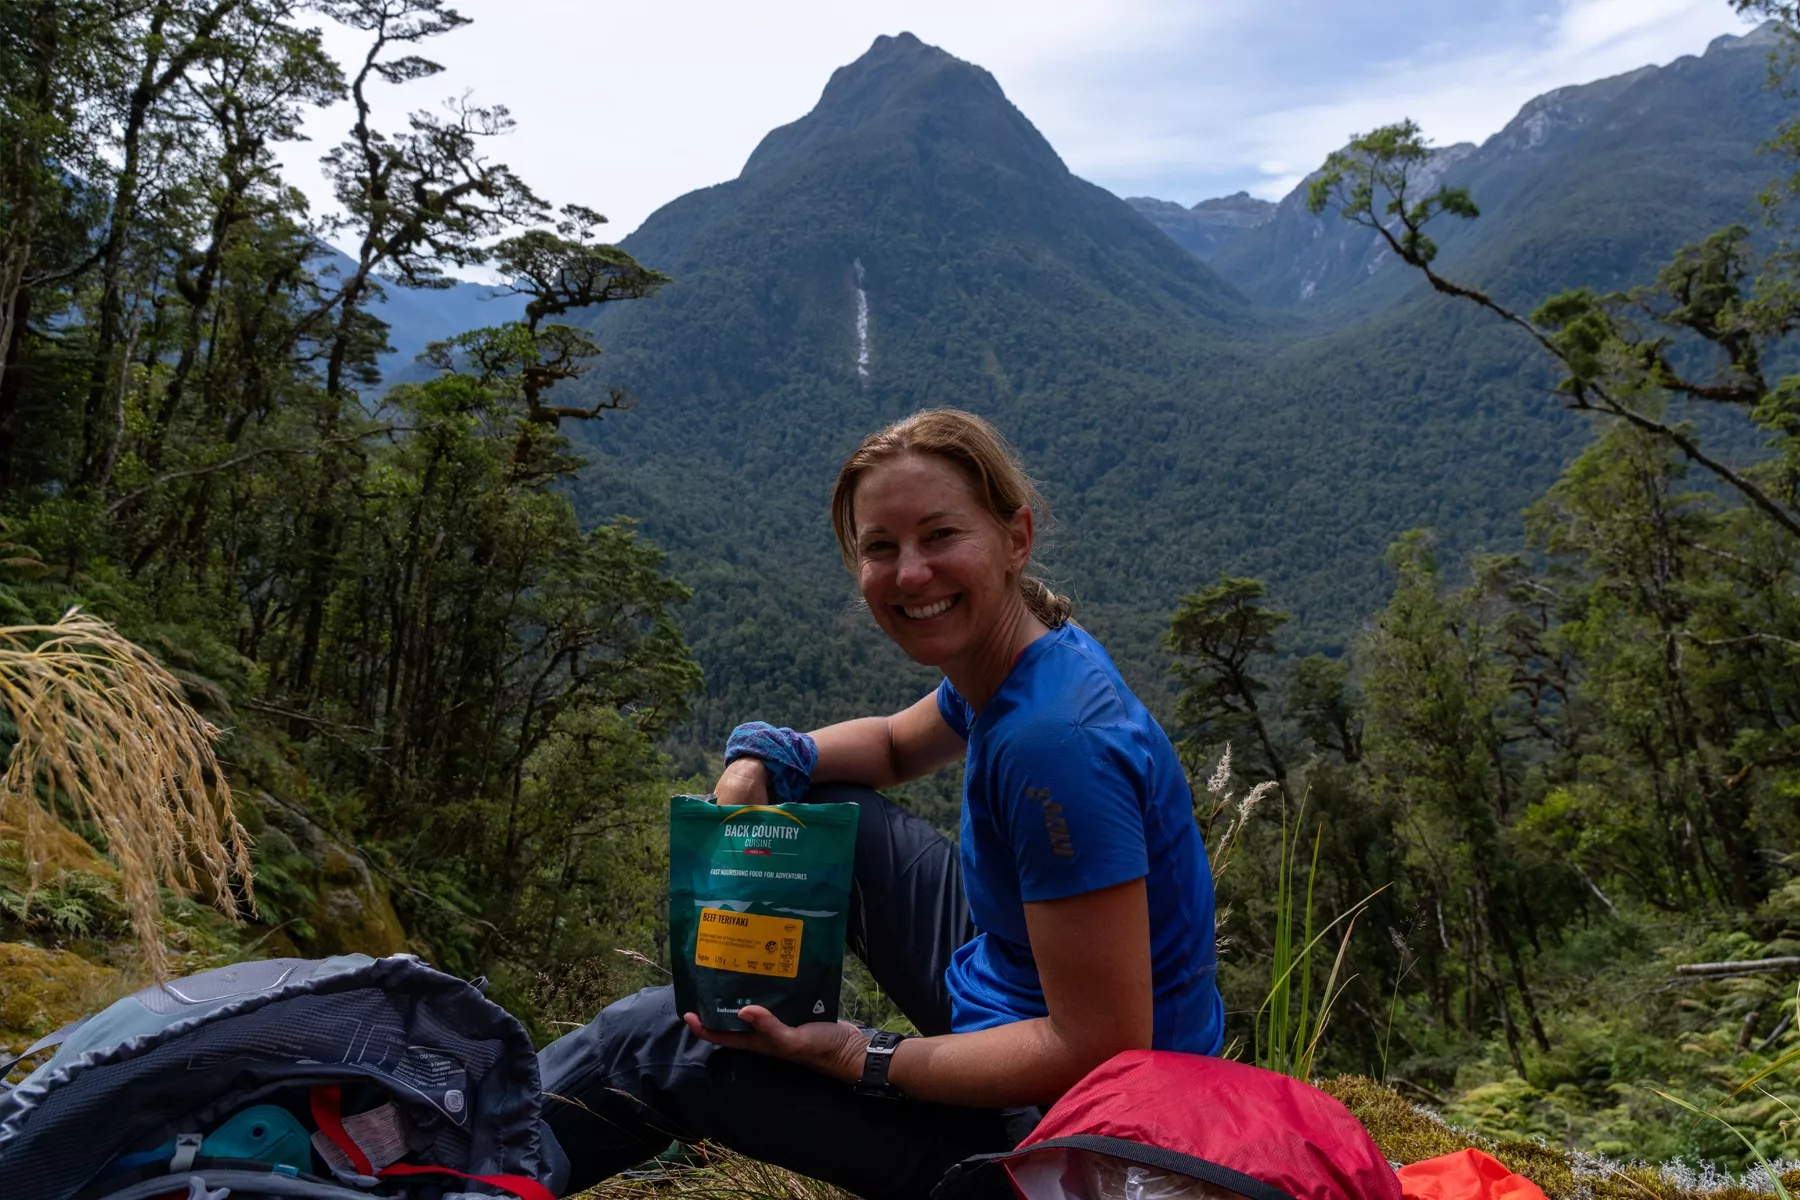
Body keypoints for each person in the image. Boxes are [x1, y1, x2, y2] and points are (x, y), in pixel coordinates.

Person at [539, 409, 1223, 1200]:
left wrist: (857, 1055)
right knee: (824, 802)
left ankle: (450, 1168)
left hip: (1079, 1143)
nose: (910, 575)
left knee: (653, 1044)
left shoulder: (1052, 743)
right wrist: (767, 752)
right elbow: (897, 746)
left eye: (940, 536)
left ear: (1016, 537)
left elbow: (1099, 1045)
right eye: (881, 547)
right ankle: (749, 999)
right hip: (1018, 995)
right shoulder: (1025, 654)